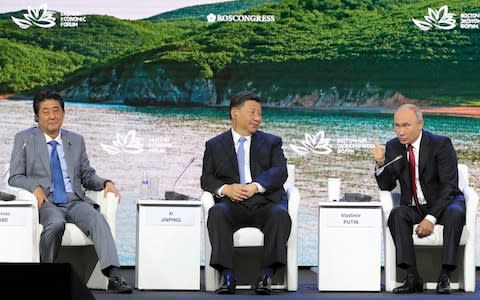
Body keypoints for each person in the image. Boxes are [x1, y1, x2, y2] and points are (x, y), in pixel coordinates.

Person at [8, 89, 132, 294]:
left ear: (63, 114)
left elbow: (86, 175)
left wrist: (105, 183)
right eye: (46, 112)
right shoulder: (24, 139)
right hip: (47, 202)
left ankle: (114, 276)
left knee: (97, 218)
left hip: (75, 201)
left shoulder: (76, 140)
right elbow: (15, 176)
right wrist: (34, 187)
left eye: (56, 110)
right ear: (37, 116)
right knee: (56, 224)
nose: (52, 116)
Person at [201, 91, 292, 295]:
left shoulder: (271, 142)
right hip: (232, 204)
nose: (258, 118)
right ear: (235, 113)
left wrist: (256, 185)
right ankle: (227, 275)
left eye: (260, 113)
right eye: (252, 112)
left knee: (279, 215)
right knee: (217, 214)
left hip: (264, 202)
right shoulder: (215, 145)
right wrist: (226, 189)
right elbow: (207, 179)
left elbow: (280, 171)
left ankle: (266, 275)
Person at [373, 104, 465, 294]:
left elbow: (450, 187)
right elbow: (386, 185)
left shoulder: (441, 144)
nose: (400, 131)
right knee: (396, 215)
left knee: (455, 213)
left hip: (445, 202)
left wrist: (431, 218)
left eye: (406, 125)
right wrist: (381, 163)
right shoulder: (393, 146)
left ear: (420, 124)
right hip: (416, 206)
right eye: (397, 125)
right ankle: (413, 276)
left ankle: (445, 275)